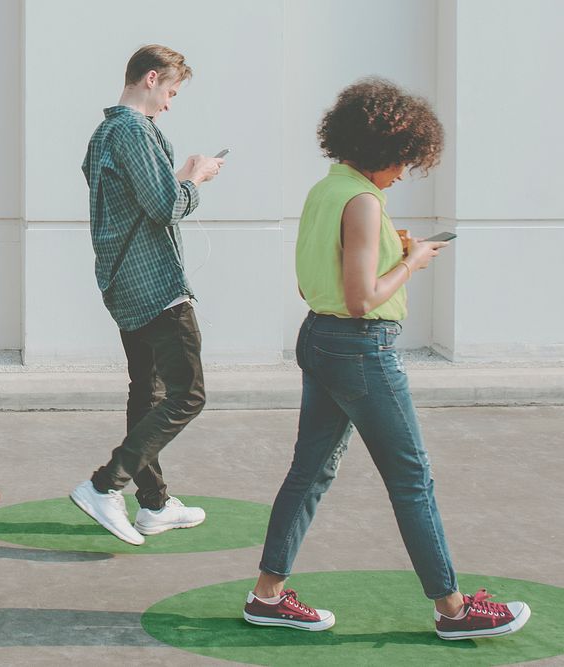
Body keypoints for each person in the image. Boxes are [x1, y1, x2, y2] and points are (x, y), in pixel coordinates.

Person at [242, 78, 530, 640]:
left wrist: (386, 249)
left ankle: (266, 596)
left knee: (310, 471)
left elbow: (313, 287)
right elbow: (361, 298)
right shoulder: (364, 201)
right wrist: (415, 260)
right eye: (403, 162)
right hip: (361, 348)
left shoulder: (327, 190)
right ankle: (454, 610)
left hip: (319, 341)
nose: (404, 174)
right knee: (411, 478)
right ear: (385, 152)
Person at [70, 45, 224, 546]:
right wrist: (195, 181)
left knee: (148, 391)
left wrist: (176, 176)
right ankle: (104, 485)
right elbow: (163, 207)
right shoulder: (134, 130)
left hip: (123, 281)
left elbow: (134, 199)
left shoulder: (105, 133)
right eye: (171, 93)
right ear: (152, 79)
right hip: (154, 282)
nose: (171, 104)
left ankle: (153, 503)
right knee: (188, 395)